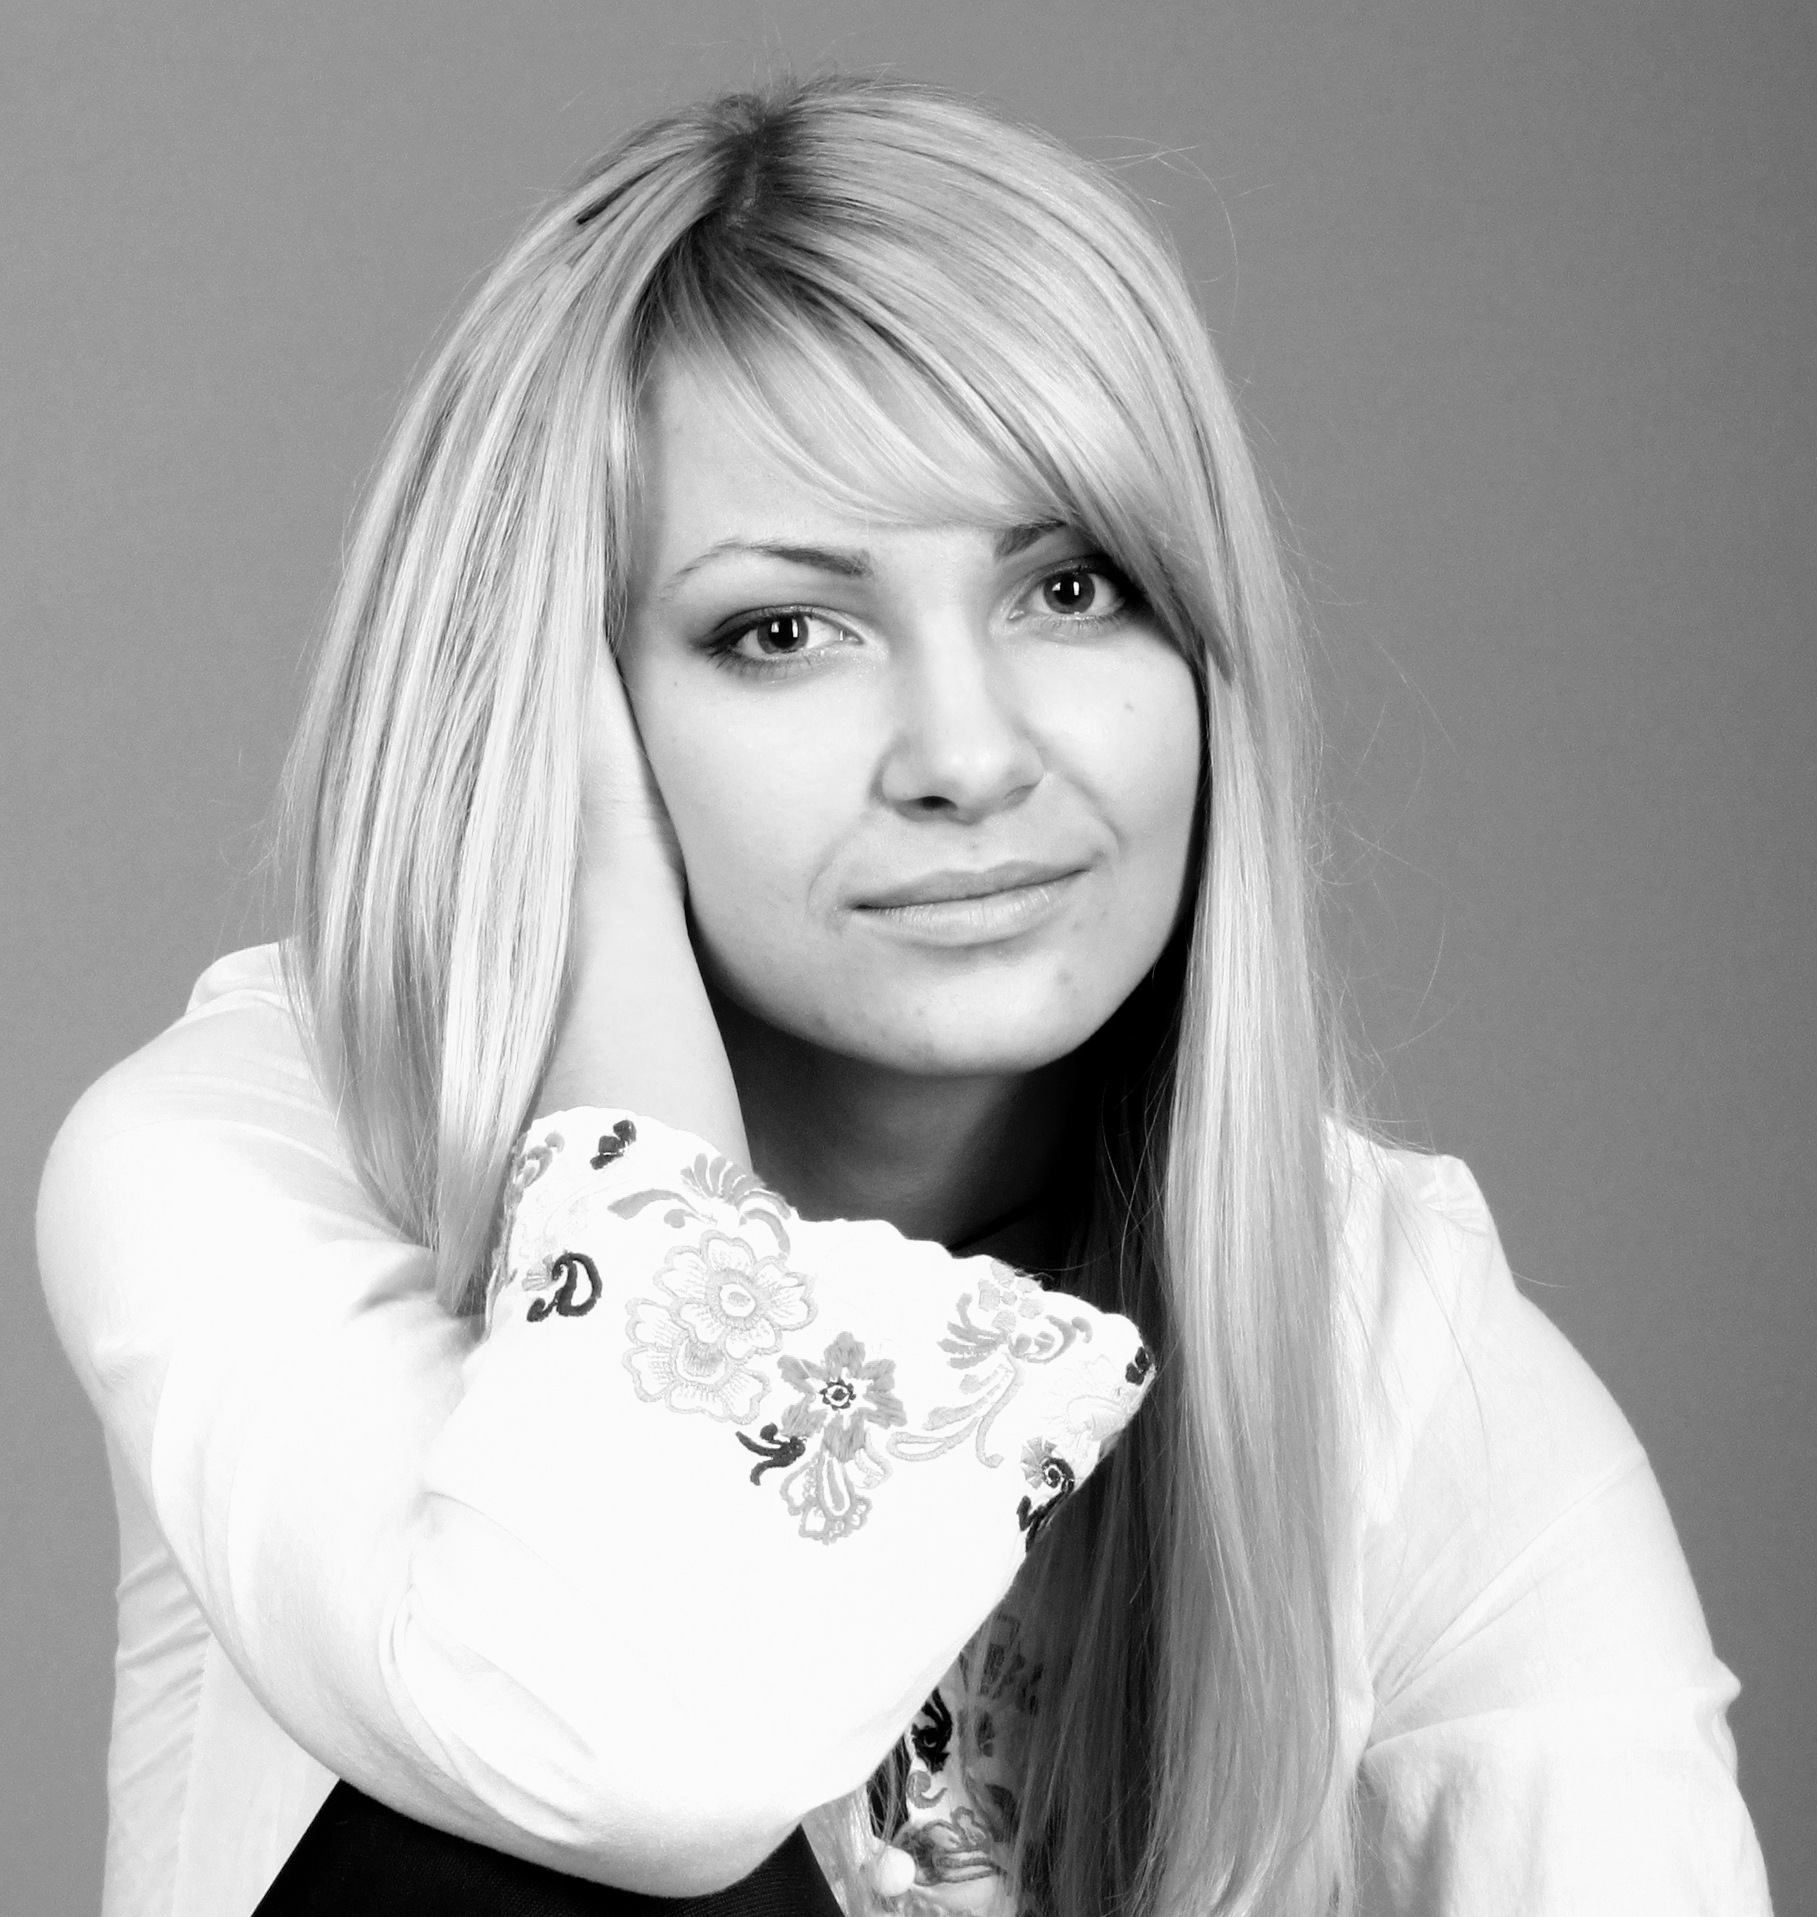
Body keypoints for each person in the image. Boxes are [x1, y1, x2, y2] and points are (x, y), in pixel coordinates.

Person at [36, 74, 1771, 1917]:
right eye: (780, 632)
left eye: (1071, 588)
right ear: (555, 712)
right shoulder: (258, 1160)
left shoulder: (1385, 1348)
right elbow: (625, 1757)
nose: (967, 755)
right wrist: (604, 996)